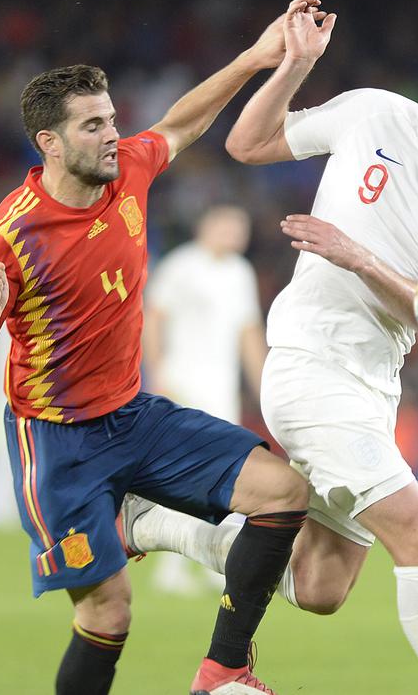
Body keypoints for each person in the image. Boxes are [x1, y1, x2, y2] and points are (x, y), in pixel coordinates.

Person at [121, 9, 418, 694]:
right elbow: (247, 143)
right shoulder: (374, 115)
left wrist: (360, 258)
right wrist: (295, 65)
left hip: (375, 384)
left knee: (320, 585)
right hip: (309, 362)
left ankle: (154, 520)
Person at [0, 0, 325, 694]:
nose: (112, 136)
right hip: (57, 442)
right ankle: (128, 523)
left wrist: (256, 56)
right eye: (92, 126)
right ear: (49, 143)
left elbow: (181, 122)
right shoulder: (8, 237)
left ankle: (223, 670)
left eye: (112, 119)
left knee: (283, 492)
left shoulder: (129, 173)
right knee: (109, 613)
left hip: (133, 415)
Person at [142, 205, 267, 596]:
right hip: (181, 381)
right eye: (229, 226)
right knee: (182, 474)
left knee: (224, 473)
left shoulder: (240, 273)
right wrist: (157, 373)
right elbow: (153, 317)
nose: (236, 234)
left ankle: (217, 560)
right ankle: (171, 566)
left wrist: (265, 388)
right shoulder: (181, 266)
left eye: (241, 228)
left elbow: (249, 333)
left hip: (220, 386)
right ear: (207, 226)